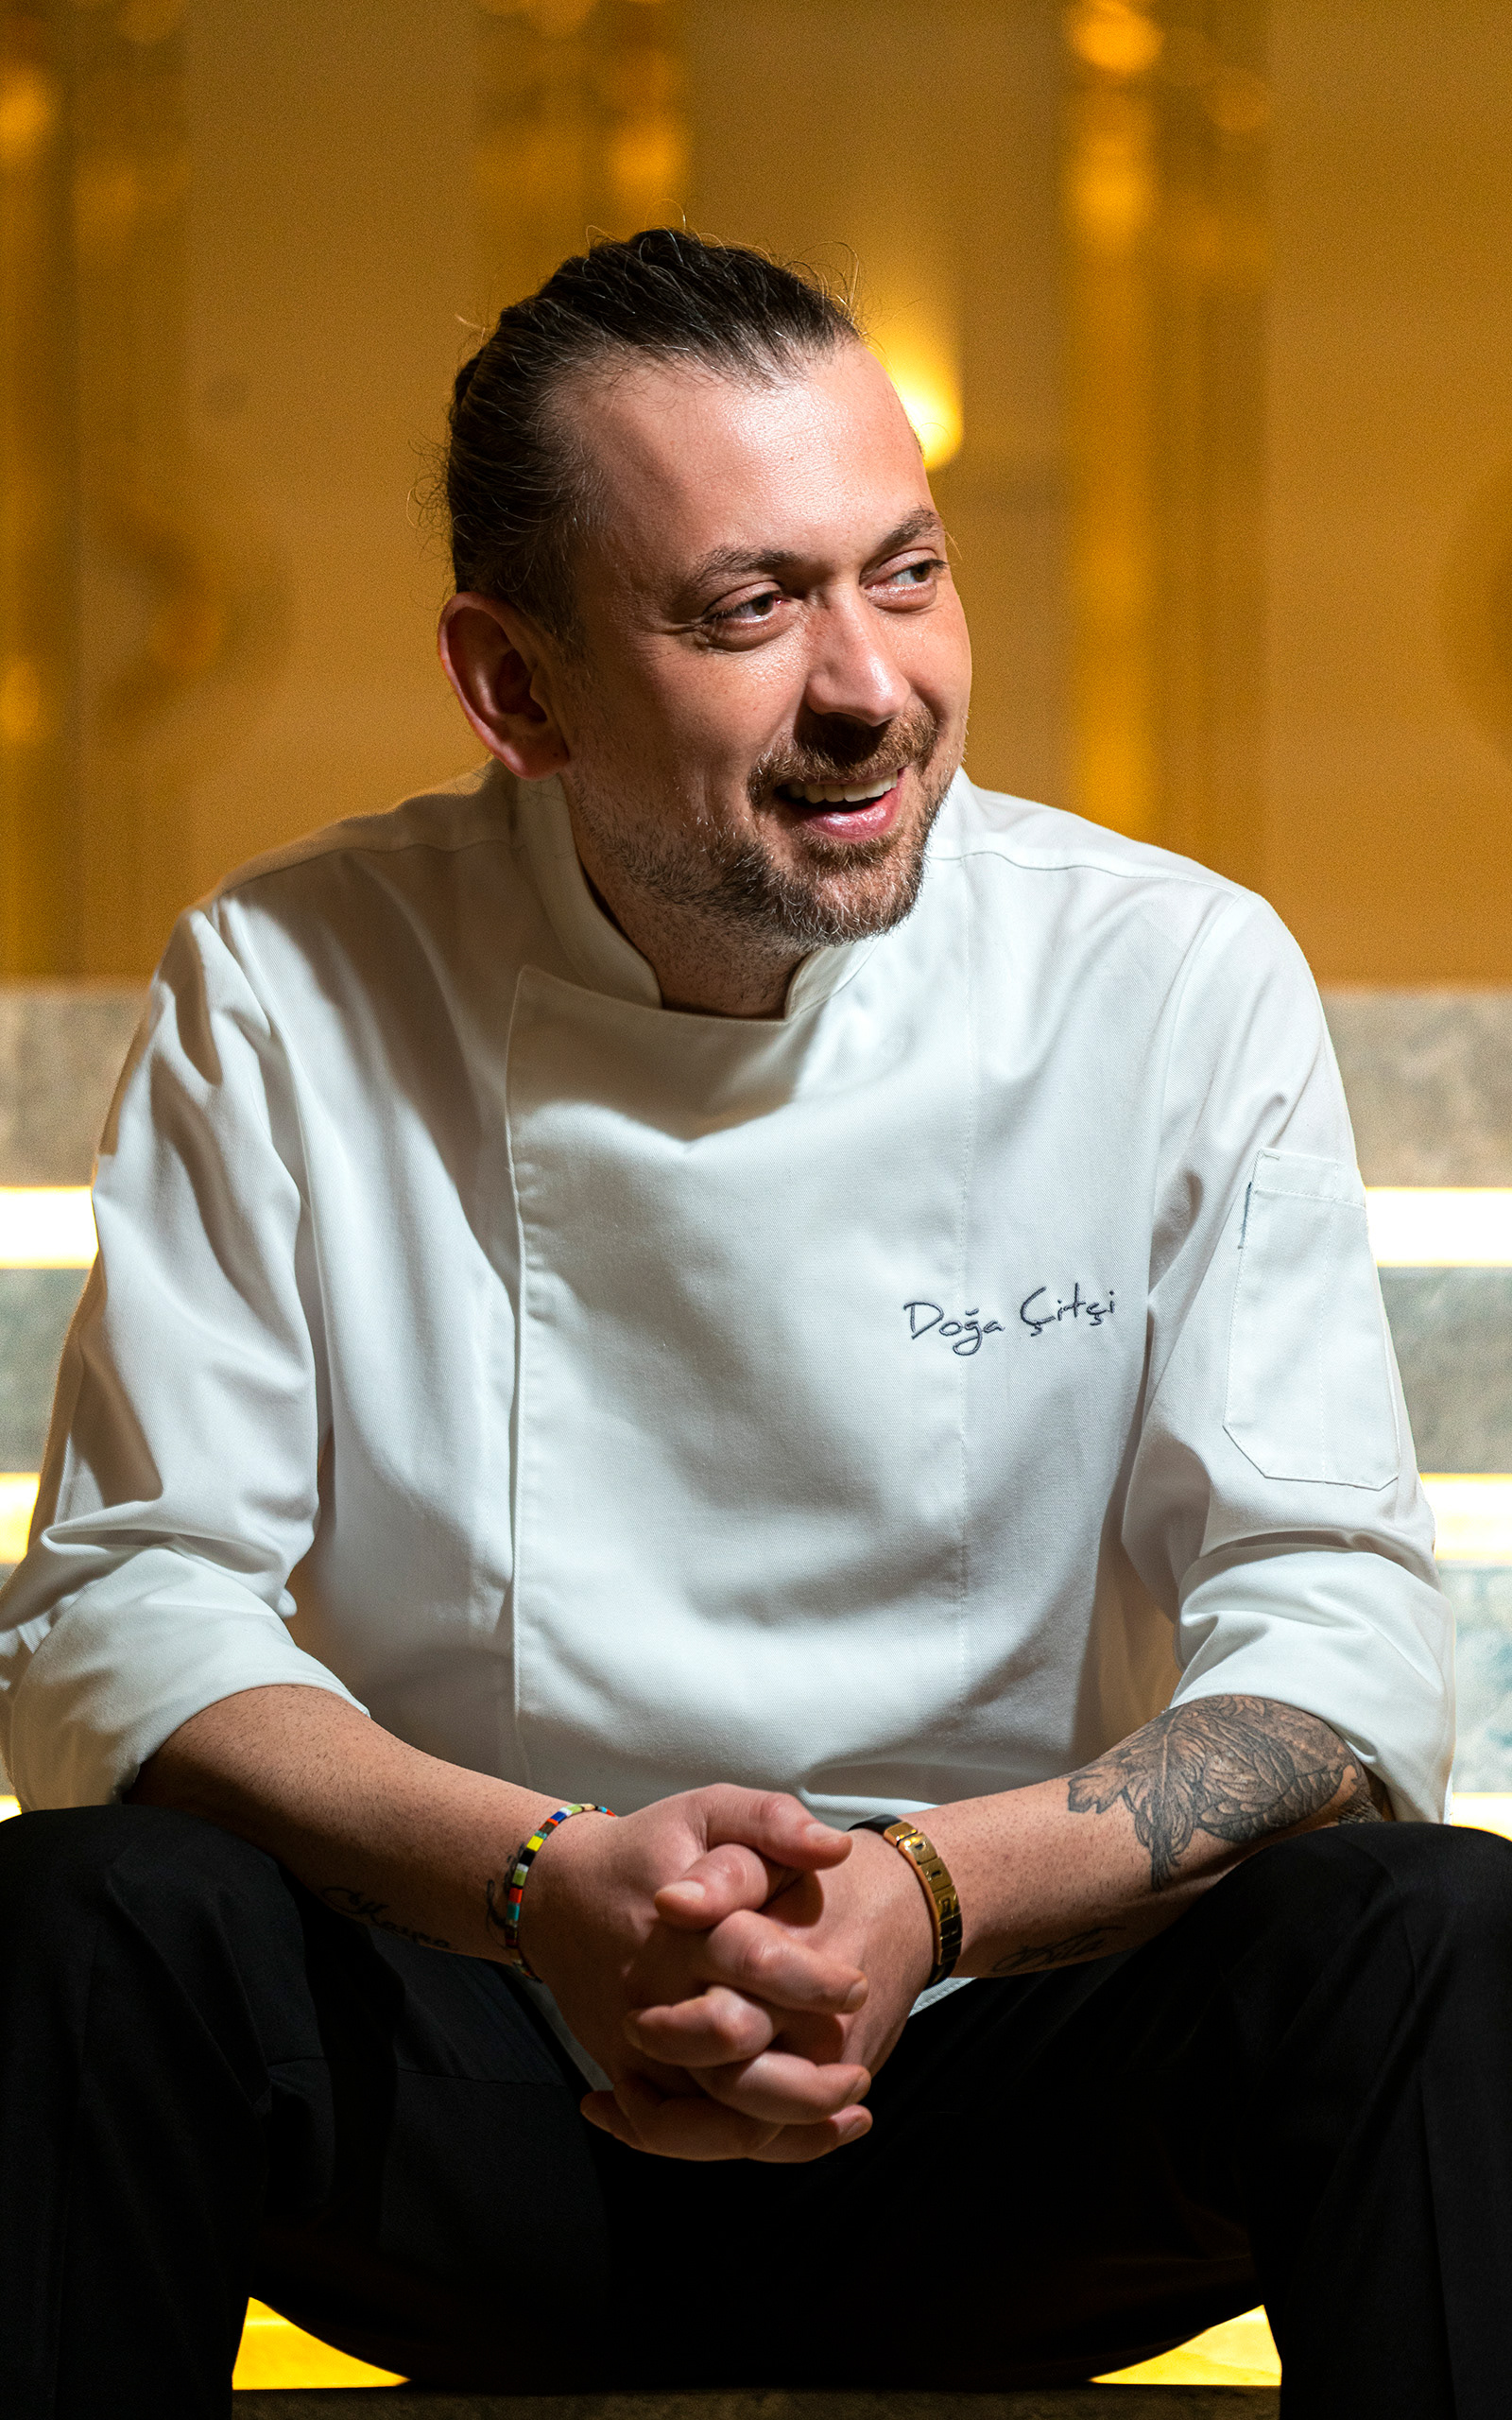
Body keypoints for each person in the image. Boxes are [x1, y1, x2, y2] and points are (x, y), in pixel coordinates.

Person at [0, 230, 1503, 2420]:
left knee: (1431, 1935)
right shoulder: (291, 977)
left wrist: (920, 1895)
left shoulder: (1166, 979)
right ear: (512, 688)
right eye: (747, 608)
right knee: (87, 1914)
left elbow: (1335, 1636)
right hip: (475, 2078)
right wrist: (545, 1887)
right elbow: (126, 1612)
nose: (868, 685)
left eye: (905, 573)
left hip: (999, 2092)